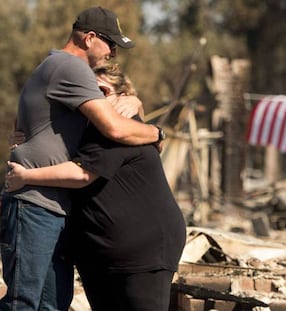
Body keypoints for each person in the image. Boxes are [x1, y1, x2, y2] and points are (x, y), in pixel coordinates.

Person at [0, 7, 163, 311]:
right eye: (110, 44)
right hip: (35, 204)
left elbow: (20, 127)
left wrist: (131, 98)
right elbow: (113, 127)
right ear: (89, 38)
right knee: (22, 304)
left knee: (51, 305)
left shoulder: (51, 66)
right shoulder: (71, 68)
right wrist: (156, 132)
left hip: (50, 206)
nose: (113, 52)